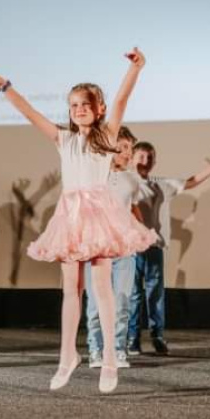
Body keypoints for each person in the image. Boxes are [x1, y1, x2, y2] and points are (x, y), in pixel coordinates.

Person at [0, 48, 156, 393]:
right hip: (71, 215)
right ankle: (67, 356)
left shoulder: (107, 136)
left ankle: (110, 359)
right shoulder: (64, 139)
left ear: (99, 109)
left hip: (98, 214)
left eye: (86, 104)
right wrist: (4, 85)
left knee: (101, 287)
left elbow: (122, 99)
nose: (79, 109)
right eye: (73, 105)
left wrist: (136, 68)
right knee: (71, 289)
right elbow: (29, 112)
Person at [127, 141, 210, 355]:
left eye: (150, 157)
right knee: (133, 294)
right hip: (130, 248)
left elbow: (190, 182)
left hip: (154, 246)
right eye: (141, 156)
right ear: (132, 159)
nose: (145, 161)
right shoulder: (124, 183)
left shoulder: (160, 184)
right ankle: (132, 338)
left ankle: (157, 336)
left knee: (155, 293)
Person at [83, 126, 147, 369]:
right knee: (96, 302)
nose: (128, 153)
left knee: (122, 300)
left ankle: (118, 350)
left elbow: (133, 209)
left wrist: (143, 232)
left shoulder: (132, 179)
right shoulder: (94, 176)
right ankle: (96, 350)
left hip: (124, 250)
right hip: (97, 249)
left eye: (130, 148)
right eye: (123, 148)